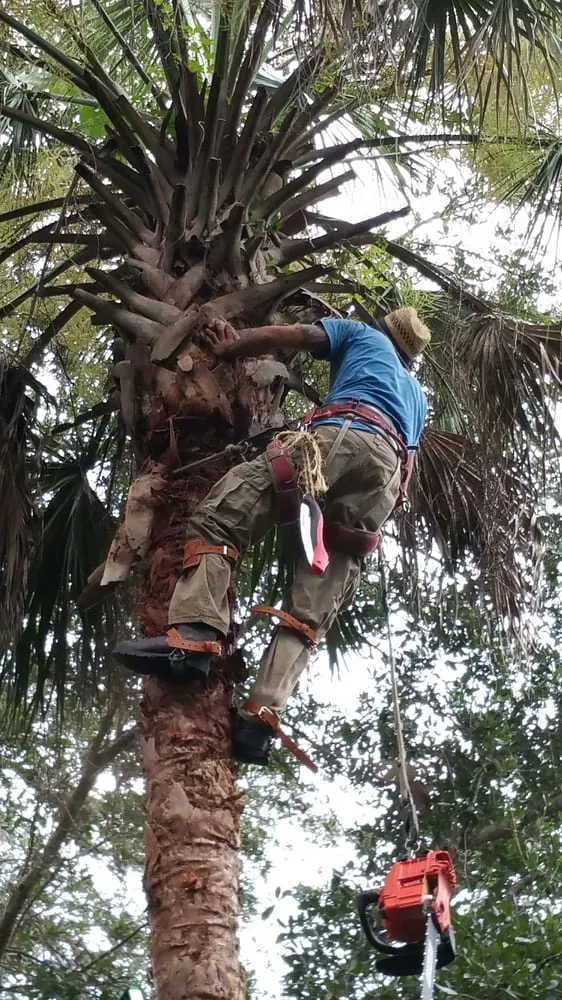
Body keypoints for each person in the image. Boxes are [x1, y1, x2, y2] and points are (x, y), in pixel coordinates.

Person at [114, 308, 430, 765]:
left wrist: (231, 345)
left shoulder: (362, 335)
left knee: (221, 518)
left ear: (383, 331)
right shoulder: (416, 395)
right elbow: (409, 470)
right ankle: (260, 722)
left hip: (344, 433)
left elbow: (294, 334)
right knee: (311, 608)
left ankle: (193, 638)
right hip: (385, 477)